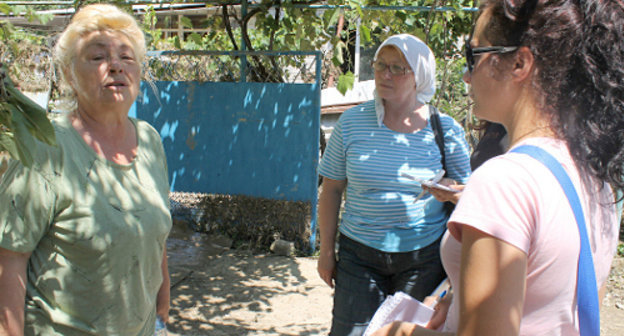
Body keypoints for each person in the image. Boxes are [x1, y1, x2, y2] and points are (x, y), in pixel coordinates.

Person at [372, 0, 623, 335]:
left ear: (519, 62)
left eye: (472, 56)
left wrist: (399, 332)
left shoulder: (504, 182)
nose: (465, 74)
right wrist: (463, 302)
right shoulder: (595, 178)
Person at [0, 4, 172, 335]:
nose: (116, 66)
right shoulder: (45, 148)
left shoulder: (149, 140)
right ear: (68, 74)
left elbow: (155, 227)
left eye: (127, 57)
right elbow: (9, 258)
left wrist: (162, 299)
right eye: (97, 57)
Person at [317, 33, 472, 336]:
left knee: (408, 333)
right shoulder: (350, 124)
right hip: (358, 256)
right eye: (380, 65)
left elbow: (469, 198)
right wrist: (325, 251)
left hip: (423, 258)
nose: (385, 74)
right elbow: (332, 190)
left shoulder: (446, 130)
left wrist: (449, 191)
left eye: (398, 68)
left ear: (420, 76)